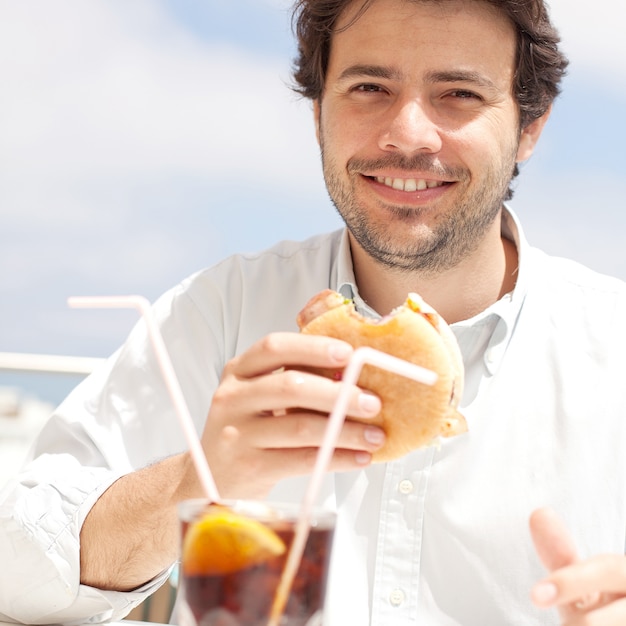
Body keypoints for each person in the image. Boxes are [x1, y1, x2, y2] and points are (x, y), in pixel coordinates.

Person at [1, 0, 626, 624]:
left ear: (531, 126)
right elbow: (17, 573)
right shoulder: (221, 312)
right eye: (369, 87)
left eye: (459, 93)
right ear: (318, 113)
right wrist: (196, 481)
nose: (408, 134)